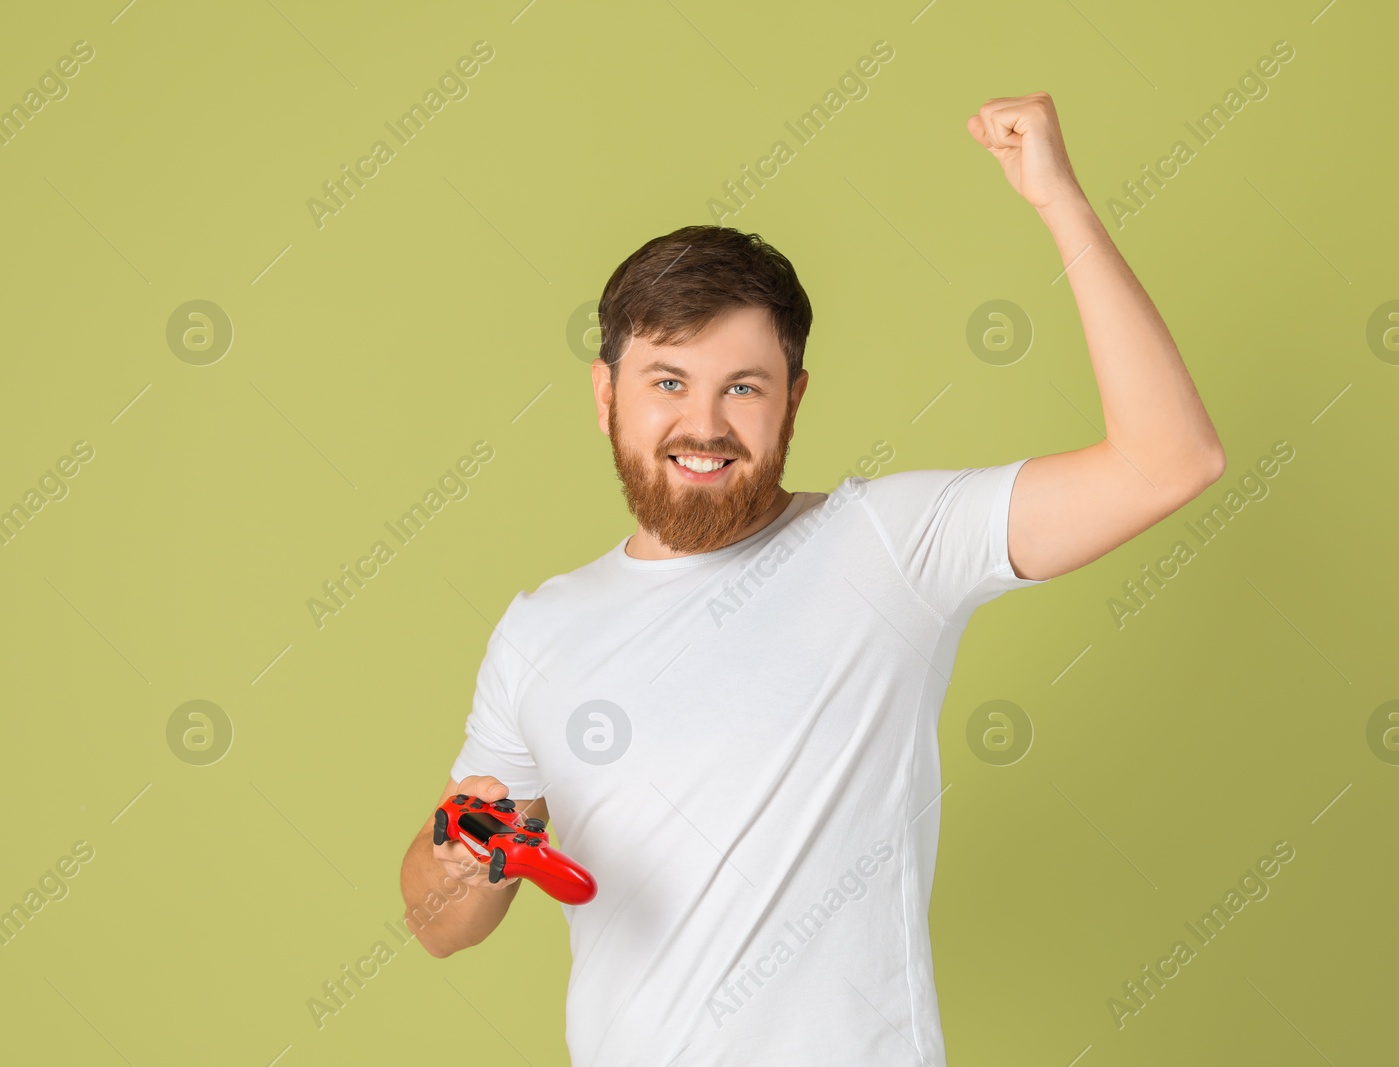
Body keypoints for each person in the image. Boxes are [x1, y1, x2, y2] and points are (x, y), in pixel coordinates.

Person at [399, 92, 1225, 1066]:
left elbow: (1169, 460)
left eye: (740, 386)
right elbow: (440, 921)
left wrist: (1059, 201)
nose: (702, 424)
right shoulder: (542, 630)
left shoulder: (887, 543)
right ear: (605, 393)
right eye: (668, 381)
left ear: (791, 397)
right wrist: (462, 861)